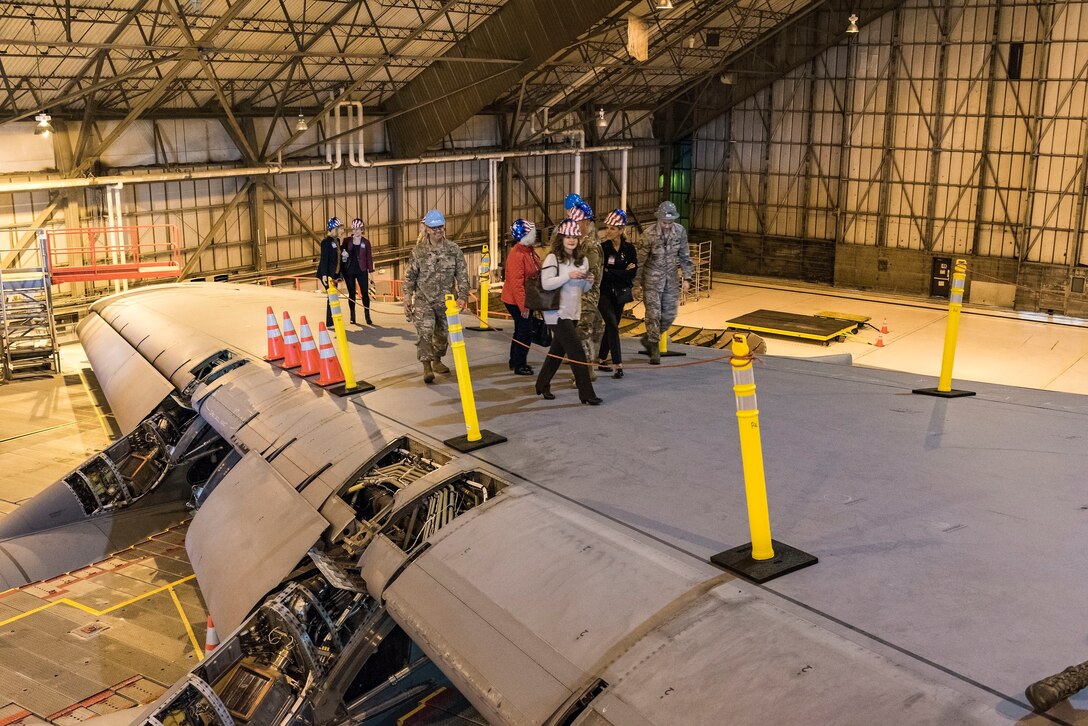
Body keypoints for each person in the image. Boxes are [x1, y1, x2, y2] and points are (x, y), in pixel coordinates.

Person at [534, 219, 602, 405]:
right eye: (568, 237)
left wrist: (589, 279)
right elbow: (546, 283)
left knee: (557, 351)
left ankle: (542, 384)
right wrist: (568, 276)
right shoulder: (552, 258)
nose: (571, 240)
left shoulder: (582, 260)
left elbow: (584, 289)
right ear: (561, 238)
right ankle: (587, 394)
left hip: (573, 312)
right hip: (556, 313)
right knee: (577, 352)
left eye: (575, 237)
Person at [403, 209, 470, 383]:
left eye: (441, 227)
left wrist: (462, 296)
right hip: (424, 299)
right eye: (434, 228)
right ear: (427, 229)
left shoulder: (453, 249)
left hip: (446, 301)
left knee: (441, 334)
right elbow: (410, 276)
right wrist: (406, 299)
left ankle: (438, 360)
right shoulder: (419, 251)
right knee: (425, 333)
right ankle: (427, 366)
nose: (438, 231)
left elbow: (462, 274)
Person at [639, 200, 694, 364]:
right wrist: (635, 284)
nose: (667, 225)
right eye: (664, 222)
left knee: (670, 314)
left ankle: (649, 339)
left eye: (670, 222)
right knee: (653, 315)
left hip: (671, 280)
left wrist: (687, 278)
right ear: (658, 219)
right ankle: (654, 348)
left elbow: (685, 256)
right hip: (651, 281)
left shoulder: (680, 232)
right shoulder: (648, 234)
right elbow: (639, 261)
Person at [597, 209, 638, 378]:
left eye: (612, 228)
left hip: (620, 294)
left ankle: (600, 358)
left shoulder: (629, 249)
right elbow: (602, 273)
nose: (608, 231)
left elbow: (632, 273)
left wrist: (612, 272)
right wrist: (622, 271)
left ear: (621, 230)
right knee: (612, 324)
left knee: (611, 326)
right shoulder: (602, 248)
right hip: (604, 293)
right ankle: (618, 363)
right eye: (607, 227)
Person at [570, 200, 604, 381]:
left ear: (585, 222)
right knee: (581, 333)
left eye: (576, 223)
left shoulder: (590, 246)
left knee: (581, 333)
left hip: (587, 296)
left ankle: (584, 374)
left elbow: (590, 274)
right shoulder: (580, 241)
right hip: (576, 295)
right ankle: (587, 370)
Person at [499, 219, 538, 376]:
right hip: (516, 301)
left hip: (524, 298)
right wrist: (524, 307)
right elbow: (516, 284)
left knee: (520, 331)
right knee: (524, 332)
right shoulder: (517, 254)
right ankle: (519, 364)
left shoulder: (527, 250)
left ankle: (515, 361)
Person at [340, 218, 374, 325]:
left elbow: (369, 258)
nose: (356, 231)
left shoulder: (366, 242)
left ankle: (367, 316)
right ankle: (352, 316)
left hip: (362, 271)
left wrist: (371, 274)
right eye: (354, 229)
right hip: (349, 271)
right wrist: (343, 254)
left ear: (362, 229)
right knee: (351, 294)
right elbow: (341, 253)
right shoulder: (347, 241)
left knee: (365, 294)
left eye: (358, 229)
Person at [317, 217, 344, 326]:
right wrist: (324, 275)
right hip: (327, 275)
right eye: (340, 228)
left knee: (333, 297)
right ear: (334, 229)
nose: (342, 231)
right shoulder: (325, 242)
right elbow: (324, 259)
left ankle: (332, 321)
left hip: (334, 274)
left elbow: (337, 257)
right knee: (332, 297)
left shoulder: (337, 241)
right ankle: (330, 322)